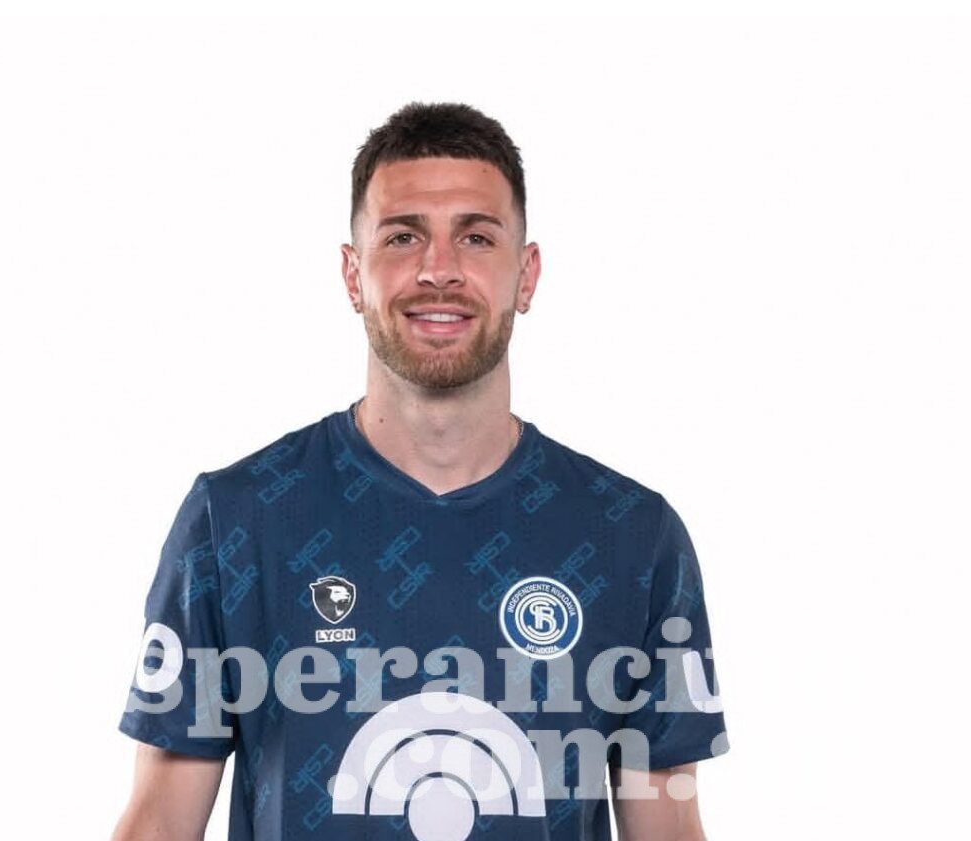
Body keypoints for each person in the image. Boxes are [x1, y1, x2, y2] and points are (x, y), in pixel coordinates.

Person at [111, 101, 730, 841]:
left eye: (476, 237)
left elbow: (669, 827)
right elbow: (159, 821)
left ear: (526, 275)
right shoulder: (234, 520)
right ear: (353, 274)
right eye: (403, 236)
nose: (439, 270)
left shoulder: (633, 536)